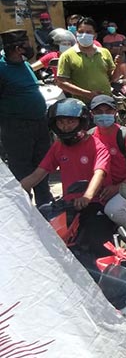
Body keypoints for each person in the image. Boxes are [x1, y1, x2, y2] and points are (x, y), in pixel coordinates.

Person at [20, 98, 113, 266]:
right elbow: (38, 174)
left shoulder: (97, 146)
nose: (65, 126)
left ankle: (107, 278)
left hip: (96, 204)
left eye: (70, 121)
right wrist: (13, 192)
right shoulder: (58, 147)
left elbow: (99, 174)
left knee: (96, 242)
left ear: (82, 121)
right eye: (61, 122)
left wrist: (86, 197)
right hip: (68, 206)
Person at [0, 29, 54, 206]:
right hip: (17, 127)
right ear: (17, 48)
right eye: (26, 44)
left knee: (42, 165)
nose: (30, 47)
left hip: (39, 123)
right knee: (22, 168)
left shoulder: (23, 64)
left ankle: (45, 203)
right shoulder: (2, 68)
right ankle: (24, 207)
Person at [56, 17, 117, 103]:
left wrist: (118, 66)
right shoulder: (67, 55)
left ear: (95, 35)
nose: (84, 35)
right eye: (81, 32)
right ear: (76, 33)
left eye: (88, 32)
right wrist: (87, 94)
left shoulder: (104, 52)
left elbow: (112, 77)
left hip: (106, 103)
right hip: (83, 105)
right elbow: (61, 82)